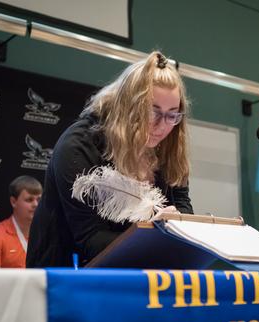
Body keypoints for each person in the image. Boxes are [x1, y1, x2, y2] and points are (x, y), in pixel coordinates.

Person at [26, 51, 193, 268]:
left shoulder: (169, 146)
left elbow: (183, 209)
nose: (162, 127)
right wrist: (152, 234)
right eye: (153, 113)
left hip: (140, 274)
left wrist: (178, 224)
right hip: (65, 276)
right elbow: (91, 240)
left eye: (172, 115)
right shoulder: (79, 146)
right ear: (129, 106)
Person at [0, 175, 42, 268]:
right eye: (29, 200)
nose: (36, 204)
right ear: (13, 202)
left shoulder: (49, 235)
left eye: (39, 200)